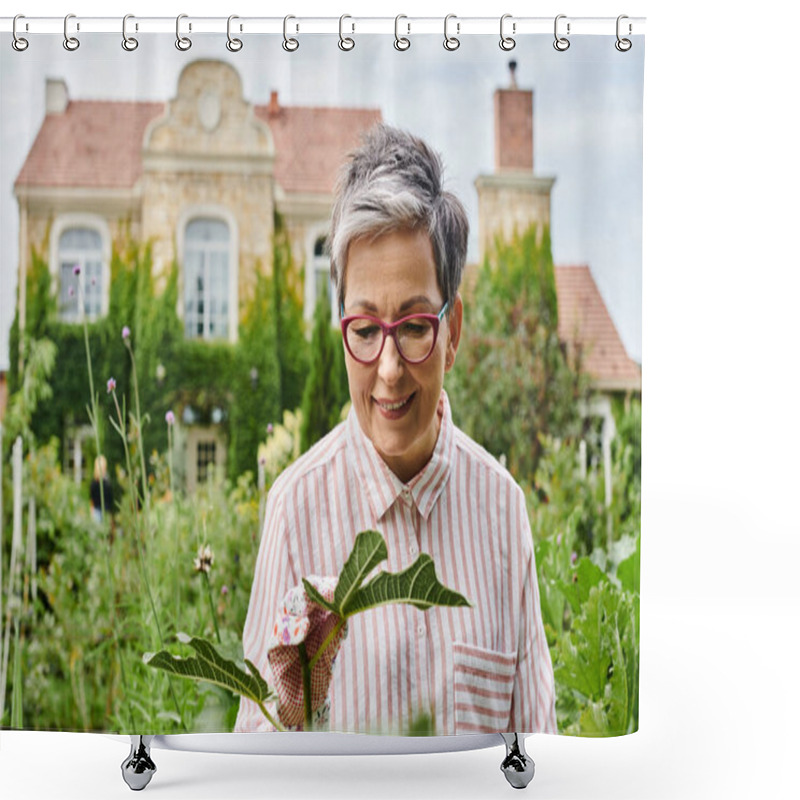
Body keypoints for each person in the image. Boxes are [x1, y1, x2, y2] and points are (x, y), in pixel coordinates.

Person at [235, 124, 556, 736]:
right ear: (342, 330)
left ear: (452, 330)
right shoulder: (296, 511)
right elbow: (256, 764)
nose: (388, 371)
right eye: (364, 328)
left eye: (413, 326)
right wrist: (296, 704)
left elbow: (536, 749)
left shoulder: (502, 512)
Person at [89, 455, 113, 522]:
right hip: (97, 511)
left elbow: (110, 499)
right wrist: (91, 512)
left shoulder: (107, 482)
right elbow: (91, 500)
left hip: (106, 511)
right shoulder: (94, 483)